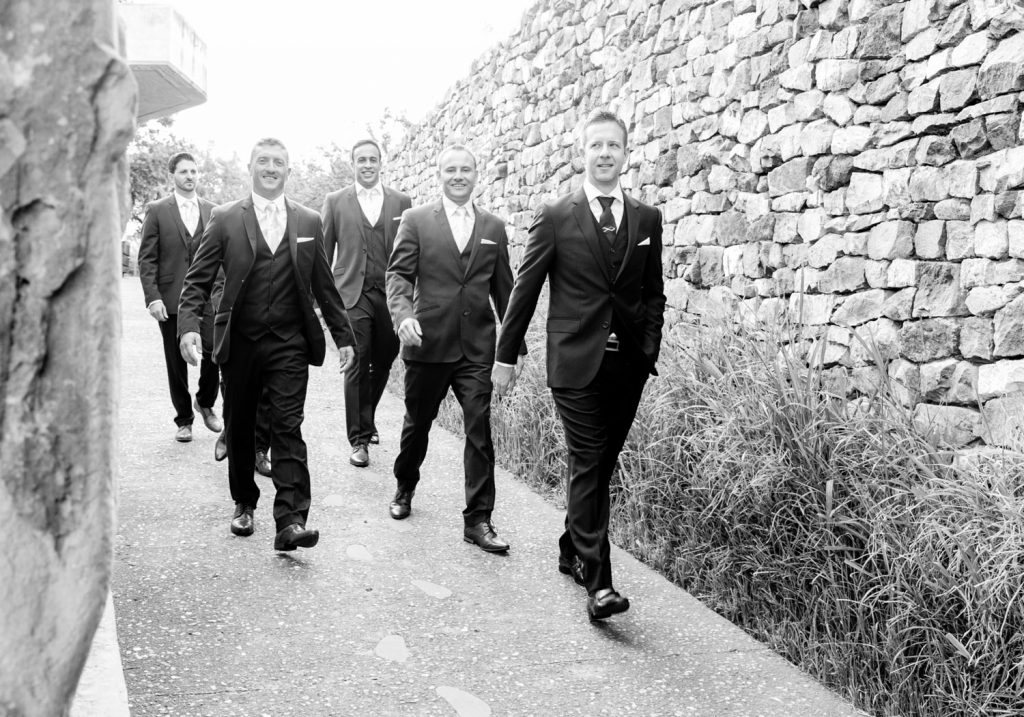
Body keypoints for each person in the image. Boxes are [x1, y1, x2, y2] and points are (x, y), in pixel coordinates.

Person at [492, 110, 666, 620]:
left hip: (627, 366)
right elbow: (524, 291)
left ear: (626, 153)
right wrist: (505, 355)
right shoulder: (555, 214)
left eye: (614, 145)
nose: (605, 153)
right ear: (583, 152)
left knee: (600, 465)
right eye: (597, 145)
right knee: (589, 460)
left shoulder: (647, 219)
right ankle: (600, 584)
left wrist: (649, 345)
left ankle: (571, 547)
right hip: (573, 364)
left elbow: (652, 291)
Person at [178, 137, 355, 552]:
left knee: (287, 426)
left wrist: (344, 337)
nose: (271, 168)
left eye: (278, 162)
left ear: (288, 172)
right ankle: (244, 501)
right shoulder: (224, 218)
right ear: (251, 168)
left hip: (290, 341)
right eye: (264, 161)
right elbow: (198, 279)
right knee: (239, 425)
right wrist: (188, 326)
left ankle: (291, 520)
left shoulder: (309, 221)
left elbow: (324, 286)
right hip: (239, 339)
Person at [385, 144, 517, 554]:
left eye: (466, 170)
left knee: (480, 431)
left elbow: (505, 290)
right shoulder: (416, 219)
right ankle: (405, 485)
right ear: (439, 174)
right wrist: (403, 315)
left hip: (477, 348)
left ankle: (478, 520)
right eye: (450, 170)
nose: (458, 176)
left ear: (477, 175)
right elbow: (398, 275)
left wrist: (512, 349)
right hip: (427, 343)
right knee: (417, 425)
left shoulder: (493, 227)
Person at [321, 139, 411, 468]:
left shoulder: (402, 201)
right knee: (357, 362)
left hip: (390, 293)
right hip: (351, 294)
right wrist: (325, 299)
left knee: (385, 358)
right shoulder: (335, 201)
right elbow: (323, 251)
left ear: (381, 163)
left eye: (373, 159)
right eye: (362, 160)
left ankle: (367, 418)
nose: (368, 165)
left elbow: (409, 250)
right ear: (353, 163)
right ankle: (358, 439)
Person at [138, 152, 223, 443]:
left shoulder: (213, 211)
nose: (190, 176)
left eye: (194, 171)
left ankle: (205, 401)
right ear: (172, 175)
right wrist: (153, 297)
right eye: (184, 171)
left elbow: (222, 257)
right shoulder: (158, 209)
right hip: (171, 299)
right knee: (176, 361)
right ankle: (184, 419)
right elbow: (146, 259)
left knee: (214, 352)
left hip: (208, 297)